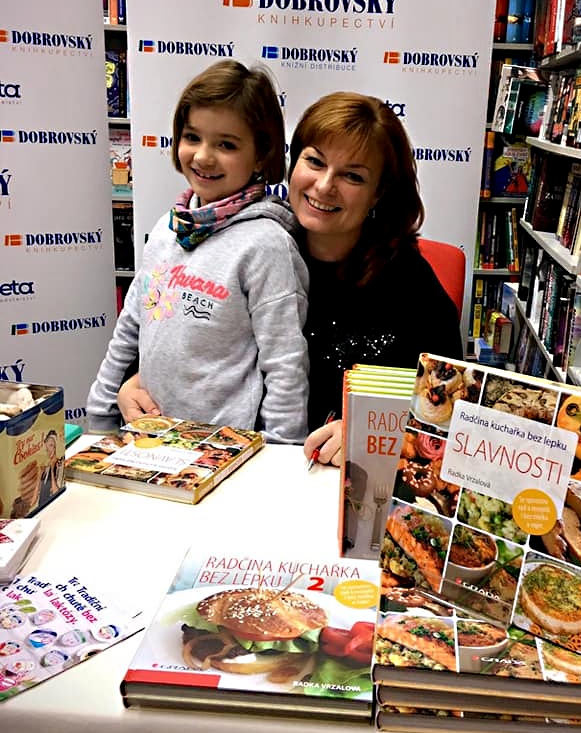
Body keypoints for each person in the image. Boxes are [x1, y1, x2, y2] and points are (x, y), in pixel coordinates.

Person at [118, 91, 463, 466]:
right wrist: (137, 381)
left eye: (352, 176)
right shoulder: (254, 248)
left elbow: (451, 408)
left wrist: (374, 433)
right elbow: (177, 335)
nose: (324, 186)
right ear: (291, 163)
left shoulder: (409, 283)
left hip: (342, 478)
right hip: (229, 466)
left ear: (378, 192)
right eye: (315, 161)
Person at [86, 60, 309, 444]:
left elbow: (285, 366)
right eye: (192, 137)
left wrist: (281, 455)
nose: (203, 156)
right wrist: (100, 414)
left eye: (226, 144)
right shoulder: (166, 229)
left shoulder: (266, 245)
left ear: (260, 155)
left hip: (227, 452)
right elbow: (129, 329)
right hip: (150, 439)